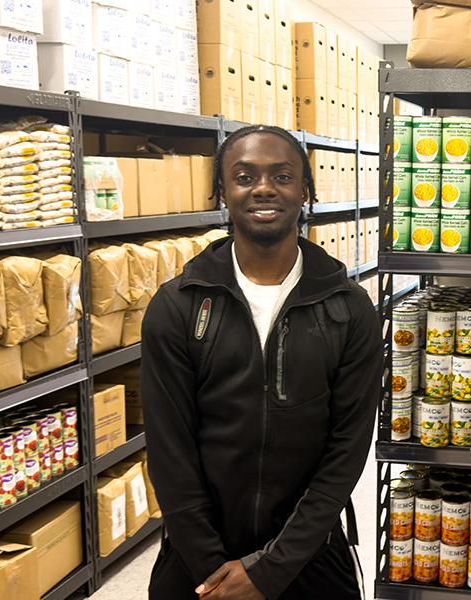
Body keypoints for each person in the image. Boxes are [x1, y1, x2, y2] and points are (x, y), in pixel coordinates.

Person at [140, 125, 381, 600]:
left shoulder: (350, 309)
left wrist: (270, 570)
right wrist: (213, 569)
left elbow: (346, 452)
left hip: (307, 554)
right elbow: (170, 453)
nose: (264, 188)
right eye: (245, 177)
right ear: (223, 193)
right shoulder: (177, 307)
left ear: (305, 192)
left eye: (283, 176)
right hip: (197, 556)